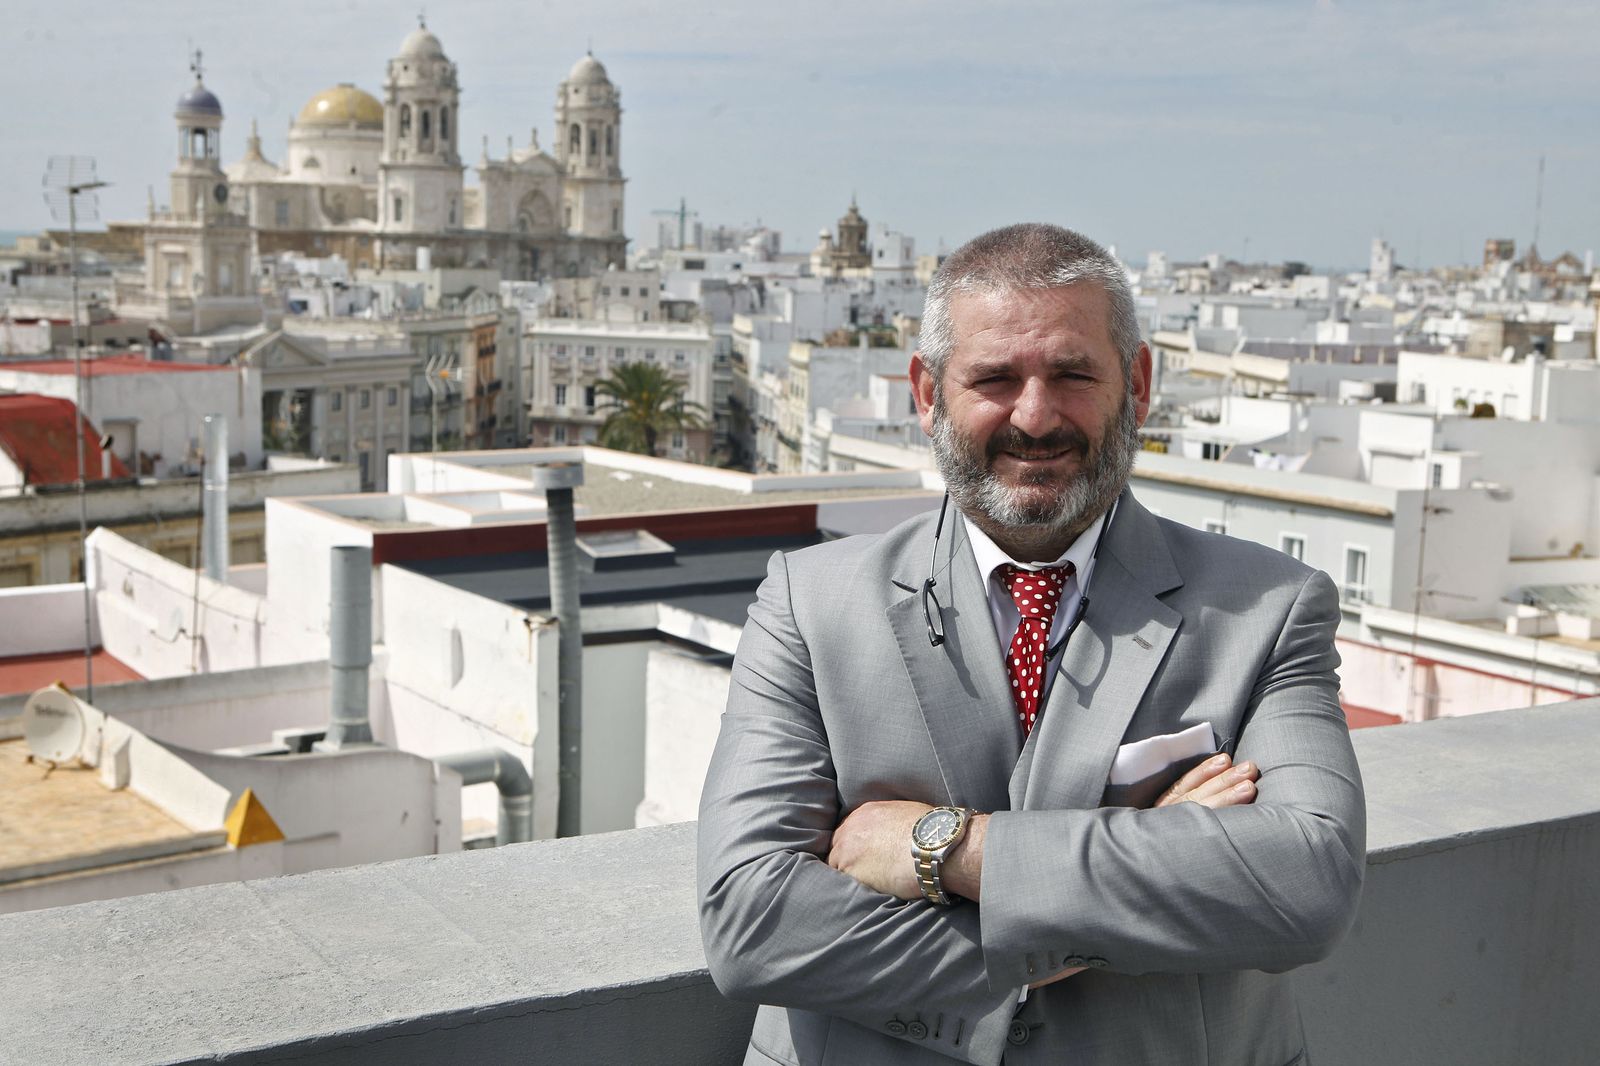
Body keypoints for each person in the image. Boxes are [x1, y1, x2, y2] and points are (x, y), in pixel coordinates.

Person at [697, 223, 1365, 1065]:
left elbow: (1306, 885)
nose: (1036, 415)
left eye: (1073, 374)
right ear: (928, 394)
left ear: (1140, 383)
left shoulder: (1267, 609)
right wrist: (1128, 885)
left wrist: (945, 850)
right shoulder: (810, 603)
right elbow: (750, 923)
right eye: (995, 379)